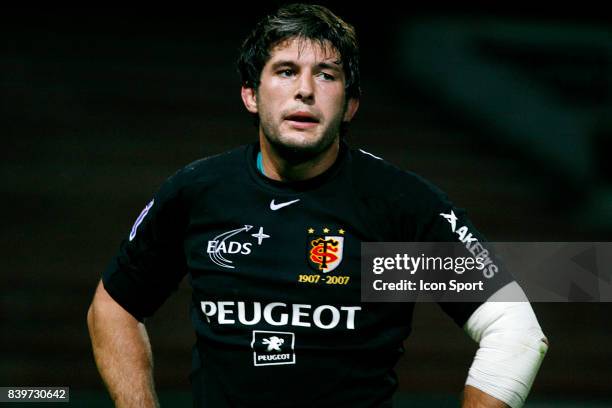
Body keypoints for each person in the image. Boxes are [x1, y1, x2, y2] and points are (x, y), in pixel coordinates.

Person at [87, 4, 548, 407]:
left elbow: (515, 330)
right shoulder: (199, 193)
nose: (304, 90)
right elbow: (114, 306)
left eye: (326, 75)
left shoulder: (396, 207)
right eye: (286, 71)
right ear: (251, 94)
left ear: (350, 105)